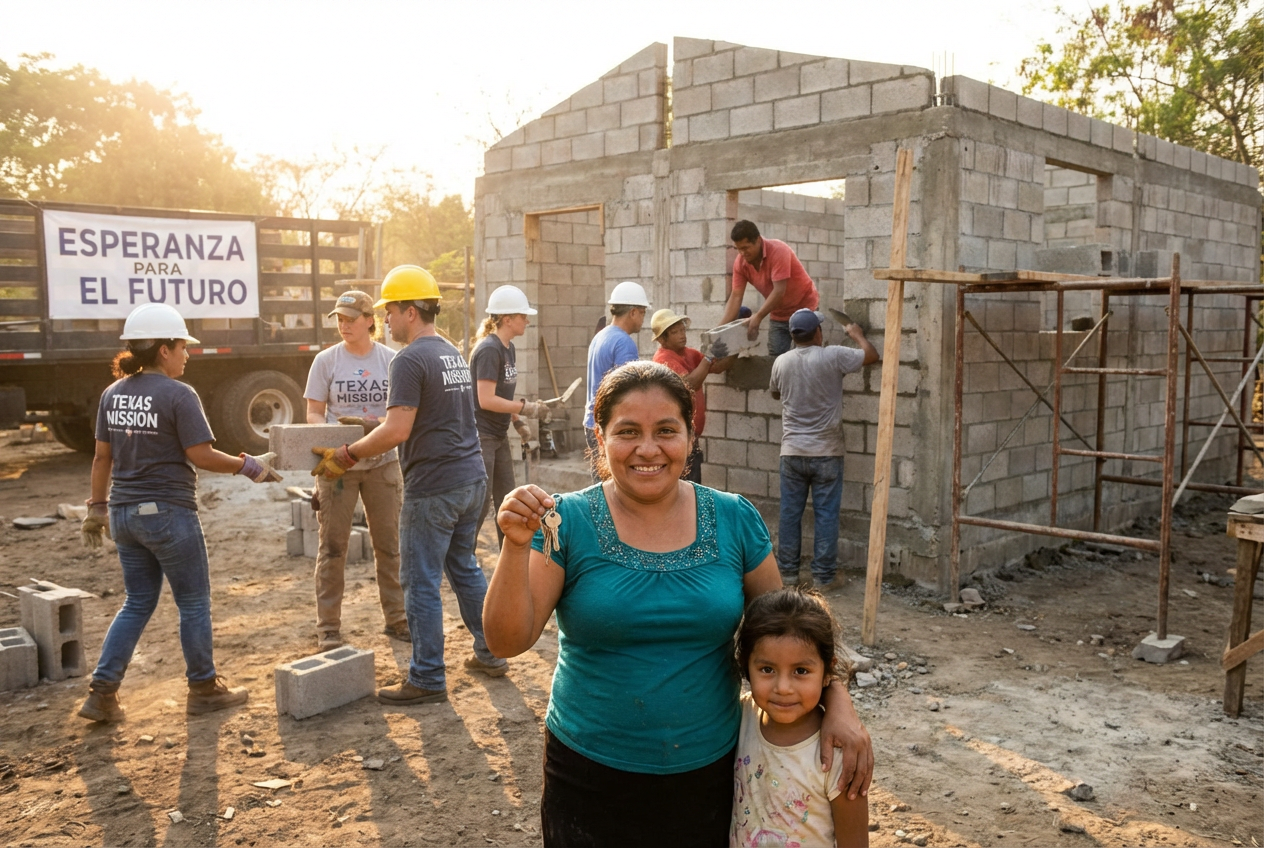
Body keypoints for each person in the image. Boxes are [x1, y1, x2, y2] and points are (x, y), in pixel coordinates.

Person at [485, 361, 873, 847]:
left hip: (707, 773)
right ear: (600, 439)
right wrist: (516, 546)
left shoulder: (733, 519)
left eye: (666, 430)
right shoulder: (567, 521)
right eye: (628, 431)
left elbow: (793, 635)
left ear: (691, 437)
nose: (648, 448)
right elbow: (506, 641)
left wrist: (838, 702)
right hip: (588, 774)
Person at [310, 265, 507, 706]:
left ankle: (427, 678)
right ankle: (491, 652)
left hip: (434, 485)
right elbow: (423, 416)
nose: (385, 321)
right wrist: (368, 424)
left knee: (419, 581)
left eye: (390, 311)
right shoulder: (451, 352)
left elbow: (399, 431)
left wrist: (348, 454)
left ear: (411, 311)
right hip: (471, 479)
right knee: (464, 568)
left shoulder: (407, 358)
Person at [77, 303, 281, 723]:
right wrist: (250, 466)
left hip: (123, 516)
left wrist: (96, 509)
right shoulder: (178, 394)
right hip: (167, 513)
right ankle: (204, 687)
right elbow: (200, 455)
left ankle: (101, 694)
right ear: (164, 349)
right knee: (193, 601)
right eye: (183, 346)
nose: (188, 353)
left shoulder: (112, 394)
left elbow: (101, 458)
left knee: (136, 602)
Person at [303, 290, 407, 651]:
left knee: (389, 546)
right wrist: (328, 437)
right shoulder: (326, 361)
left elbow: (402, 414)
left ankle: (397, 619)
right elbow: (314, 412)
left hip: (382, 463)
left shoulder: (392, 361)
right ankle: (328, 628)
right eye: (339, 320)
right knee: (332, 548)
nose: (344, 325)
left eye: (351, 319)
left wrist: (374, 423)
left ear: (369, 321)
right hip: (337, 469)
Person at [732, 587, 870, 848]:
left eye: (801, 671)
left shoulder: (838, 752)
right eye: (767, 669)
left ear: (827, 670)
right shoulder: (742, 717)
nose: (783, 687)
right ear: (745, 666)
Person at [769, 309, 879, 589]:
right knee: (826, 514)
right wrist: (857, 335)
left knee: (790, 514)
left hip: (792, 451)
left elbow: (775, 392)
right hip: (827, 451)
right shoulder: (833, 355)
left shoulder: (781, 362)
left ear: (793, 336)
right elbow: (871, 355)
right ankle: (823, 577)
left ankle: (788, 575)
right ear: (817, 332)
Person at [471, 285, 547, 546]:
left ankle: (510, 558)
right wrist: (525, 407)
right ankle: (463, 556)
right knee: (480, 504)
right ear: (507, 319)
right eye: (522, 316)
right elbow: (486, 399)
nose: (526, 320)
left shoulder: (508, 348)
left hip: (498, 434)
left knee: (508, 500)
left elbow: (502, 392)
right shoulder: (489, 350)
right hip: (482, 437)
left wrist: (519, 423)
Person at [649, 307, 733, 483]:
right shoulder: (663, 359)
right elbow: (689, 384)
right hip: (676, 438)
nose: (682, 335)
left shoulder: (689, 353)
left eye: (683, 330)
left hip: (690, 436)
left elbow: (717, 367)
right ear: (663, 338)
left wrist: (737, 346)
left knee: (692, 486)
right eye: (675, 332)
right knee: (685, 487)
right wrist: (709, 356)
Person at [720, 220, 821, 357]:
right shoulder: (740, 262)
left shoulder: (779, 251)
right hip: (779, 314)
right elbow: (736, 296)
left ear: (758, 240)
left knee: (809, 356)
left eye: (746, 248)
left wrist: (758, 316)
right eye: (738, 249)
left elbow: (779, 291)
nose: (742, 253)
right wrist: (719, 330)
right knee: (775, 358)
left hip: (804, 309)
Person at [583, 280, 649, 476]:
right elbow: (627, 390)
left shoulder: (601, 336)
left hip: (591, 423)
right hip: (609, 425)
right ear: (633, 312)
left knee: (601, 487)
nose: (643, 319)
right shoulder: (624, 343)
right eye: (643, 313)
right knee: (613, 490)